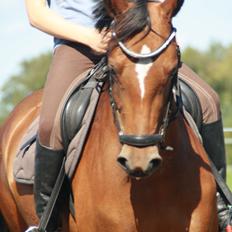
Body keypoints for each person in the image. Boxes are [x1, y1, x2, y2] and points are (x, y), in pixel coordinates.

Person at [24, 0, 229, 231]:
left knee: (208, 100)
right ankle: (48, 222)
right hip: (77, 46)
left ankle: (221, 209)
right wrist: (89, 36)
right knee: (51, 124)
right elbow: (37, 14)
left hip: (137, 38)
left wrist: (158, 24)